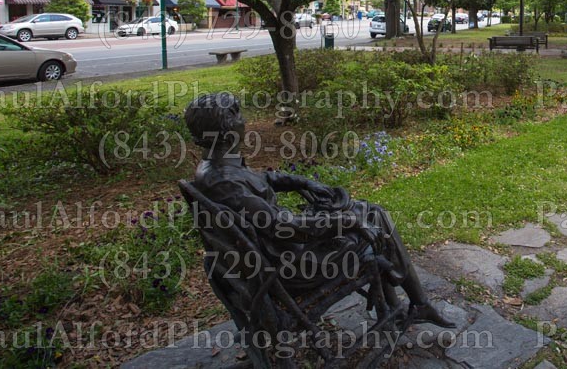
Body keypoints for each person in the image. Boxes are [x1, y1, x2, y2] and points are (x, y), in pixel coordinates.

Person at [183, 92, 452, 327]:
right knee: (371, 218)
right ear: (227, 127)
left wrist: (302, 181)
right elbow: (283, 227)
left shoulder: (215, 167)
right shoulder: (225, 181)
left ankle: (403, 299)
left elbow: (261, 180)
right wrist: (348, 222)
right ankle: (413, 299)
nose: (245, 121)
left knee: (369, 213)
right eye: (238, 115)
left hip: (279, 253)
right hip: (295, 265)